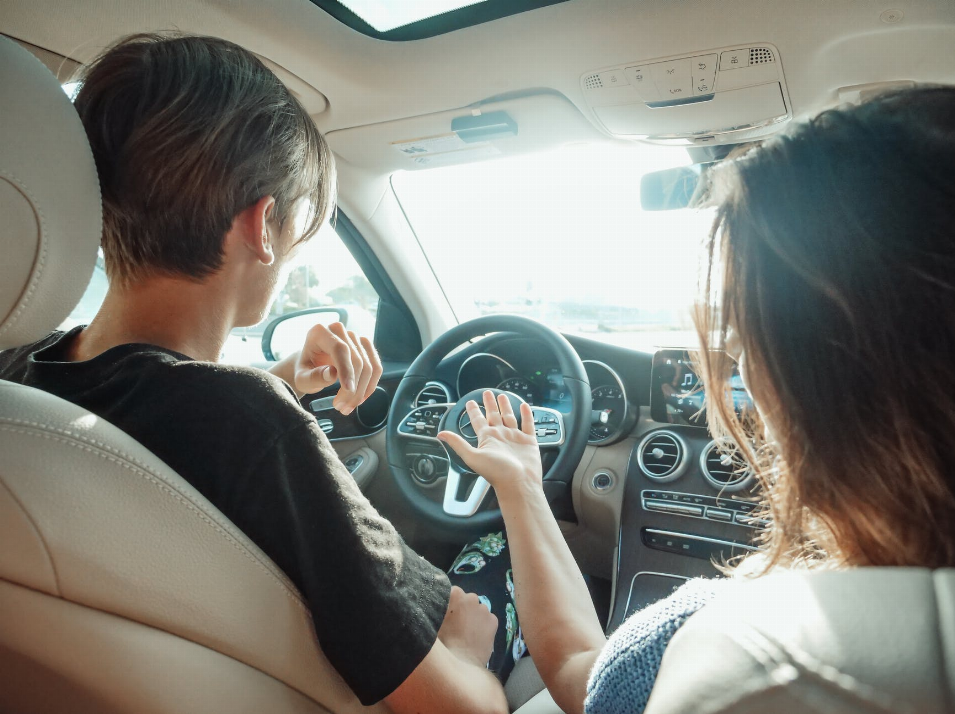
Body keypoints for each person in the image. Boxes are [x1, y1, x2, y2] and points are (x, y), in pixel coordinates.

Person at [0, 34, 509, 714]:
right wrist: (472, 652)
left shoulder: (21, 382)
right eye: (302, 228)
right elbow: (459, 708)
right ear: (263, 224)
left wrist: (282, 380)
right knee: (498, 576)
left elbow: (162, 414)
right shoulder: (257, 426)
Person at [438, 85, 955, 714]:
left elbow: (576, 670)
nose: (737, 376)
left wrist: (521, 487)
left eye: (743, 349)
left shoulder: (723, 643)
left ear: (801, 385)